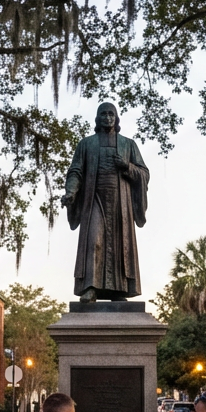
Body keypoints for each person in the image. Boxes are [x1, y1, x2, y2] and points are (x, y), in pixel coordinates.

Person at [61, 101, 150, 302]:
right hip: (94, 199)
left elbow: (144, 173)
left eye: (111, 114)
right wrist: (71, 191)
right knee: (94, 241)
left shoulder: (128, 144)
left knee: (121, 245)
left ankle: (119, 291)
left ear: (116, 118)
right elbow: (76, 171)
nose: (107, 117)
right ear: (97, 118)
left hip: (121, 202)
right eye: (103, 114)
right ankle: (91, 288)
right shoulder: (86, 144)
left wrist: (126, 166)